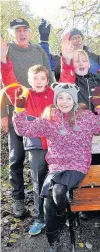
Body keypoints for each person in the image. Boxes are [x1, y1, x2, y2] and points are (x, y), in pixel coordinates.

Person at [12, 83, 100, 252]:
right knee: (48, 204)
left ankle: (66, 217)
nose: (64, 101)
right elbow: (23, 130)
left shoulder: (85, 117)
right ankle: (53, 245)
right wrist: (19, 108)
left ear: (74, 100)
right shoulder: (49, 118)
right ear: (55, 100)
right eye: (60, 97)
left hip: (77, 165)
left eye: (68, 97)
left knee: (58, 192)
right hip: (56, 167)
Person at [1, 39, 55, 235]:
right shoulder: (23, 95)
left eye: (43, 78)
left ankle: (59, 215)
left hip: (56, 147)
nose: (39, 81)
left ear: (47, 80)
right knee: (38, 182)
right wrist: (3, 61)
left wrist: (66, 60)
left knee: (58, 181)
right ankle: (40, 218)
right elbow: (8, 81)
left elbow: (68, 81)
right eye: (35, 78)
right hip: (36, 147)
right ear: (30, 81)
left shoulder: (55, 94)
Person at [59, 34, 100, 111]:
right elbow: (65, 81)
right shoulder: (72, 82)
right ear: (72, 65)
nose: (81, 63)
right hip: (79, 120)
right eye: (77, 61)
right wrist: (66, 61)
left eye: (84, 61)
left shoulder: (98, 80)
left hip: (99, 120)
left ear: (89, 65)